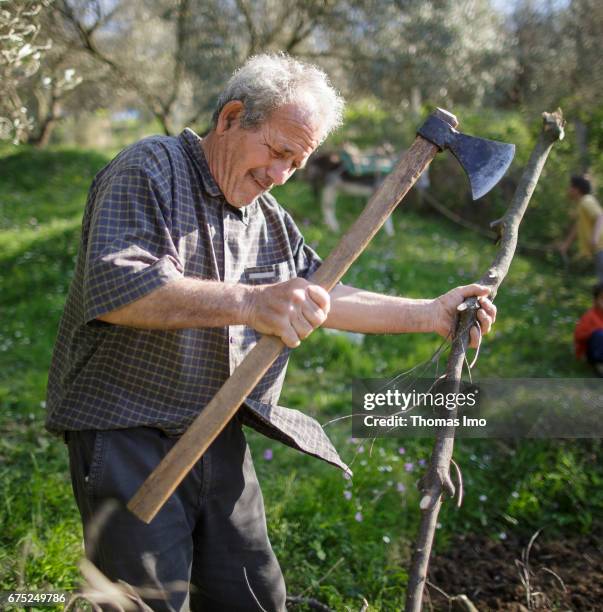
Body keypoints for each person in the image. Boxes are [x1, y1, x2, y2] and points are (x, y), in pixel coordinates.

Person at [45, 54, 497, 611]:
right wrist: (252, 302)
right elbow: (119, 285)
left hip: (217, 432)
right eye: (278, 152)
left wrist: (429, 312)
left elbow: (319, 293)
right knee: (147, 602)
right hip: (125, 432)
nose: (281, 174)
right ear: (232, 117)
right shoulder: (150, 169)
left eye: (296, 162)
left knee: (255, 596)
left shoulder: (266, 216)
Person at [559, 175, 603, 280]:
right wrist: (566, 244)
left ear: (577, 189)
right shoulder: (581, 204)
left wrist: (595, 238)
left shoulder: (586, 201)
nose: (568, 189)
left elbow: (600, 216)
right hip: (598, 249)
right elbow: (578, 226)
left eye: (570, 187)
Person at [574, 283, 603, 375]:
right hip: (592, 353)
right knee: (599, 334)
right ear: (596, 300)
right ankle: (599, 366)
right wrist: (592, 332)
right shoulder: (590, 316)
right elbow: (578, 336)